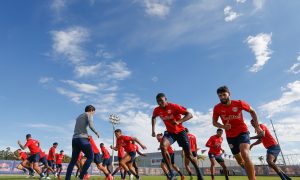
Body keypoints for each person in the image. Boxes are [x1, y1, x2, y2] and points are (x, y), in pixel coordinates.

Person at [212, 86, 263, 180]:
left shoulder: (239, 103)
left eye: (224, 94)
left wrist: (257, 126)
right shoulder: (217, 108)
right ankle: (250, 170)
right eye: (220, 96)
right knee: (240, 161)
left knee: (245, 153)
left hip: (242, 131)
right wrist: (223, 126)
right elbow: (214, 122)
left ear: (229, 94)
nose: (222, 97)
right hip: (230, 136)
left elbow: (253, 111)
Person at [152, 93, 204, 180]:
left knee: (189, 155)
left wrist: (179, 121)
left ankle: (199, 173)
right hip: (170, 133)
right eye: (158, 102)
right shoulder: (157, 110)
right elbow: (153, 117)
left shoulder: (174, 106)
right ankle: (171, 174)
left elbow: (189, 115)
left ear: (166, 99)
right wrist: (153, 129)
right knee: (162, 146)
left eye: (161, 100)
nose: (160, 103)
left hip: (180, 132)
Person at [65, 105, 100, 180]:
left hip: (74, 139)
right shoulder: (89, 114)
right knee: (91, 157)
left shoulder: (79, 116)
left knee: (73, 161)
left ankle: (67, 178)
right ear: (91, 110)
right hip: (83, 139)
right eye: (94, 112)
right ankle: (81, 177)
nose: (94, 113)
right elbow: (91, 125)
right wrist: (96, 132)